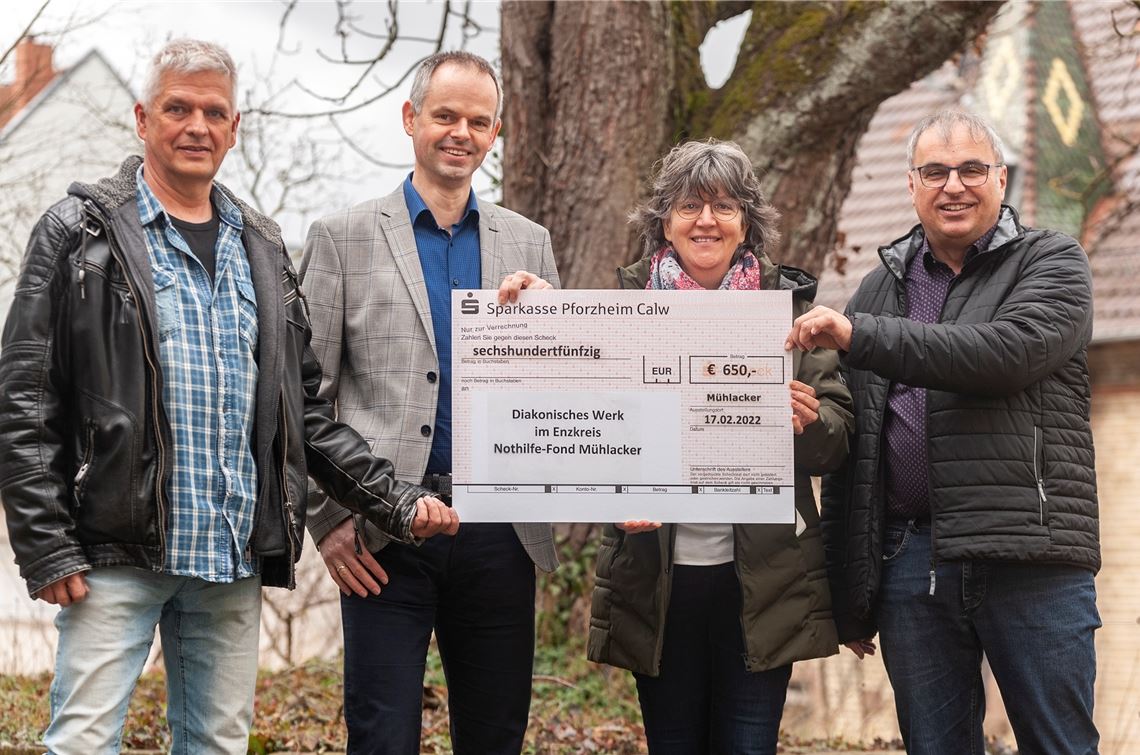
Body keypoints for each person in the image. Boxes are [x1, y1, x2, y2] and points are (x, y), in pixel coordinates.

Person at [0, 39, 458, 755]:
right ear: (143, 118)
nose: (197, 126)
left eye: (214, 112)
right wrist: (45, 546)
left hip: (229, 558)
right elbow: (27, 397)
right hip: (112, 554)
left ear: (235, 127)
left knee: (216, 744)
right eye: (178, 108)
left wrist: (393, 500)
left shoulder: (264, 248)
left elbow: (302, 413)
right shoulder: (78, 233)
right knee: (83, 743)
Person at [785, 110, 1101, 754]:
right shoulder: (878, 290)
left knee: (1060, 746)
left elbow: (1002, 354)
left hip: (1030, 561)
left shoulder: (1052, 261)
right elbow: (861, 453)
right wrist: (852, 588)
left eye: (971, 169)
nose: (953, 185)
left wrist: (861, 337)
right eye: (935, 172)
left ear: (1001, 179)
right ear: (911, 186)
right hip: (911, 567)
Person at [299, 50, 559, 754]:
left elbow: (560, 395)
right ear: (411, 118)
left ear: (495, 133)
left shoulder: (529, 242)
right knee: (382, 737)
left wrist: (554, 323)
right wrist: (328, 521)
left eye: (478, 121)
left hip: (500, 532)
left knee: (496, 734)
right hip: (383, 532)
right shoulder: (341, 237)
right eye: (445, 115)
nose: (460, 133)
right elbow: (303, 395)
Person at [586, 139, 853, 754]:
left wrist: (808, 423)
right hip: (657, 579)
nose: (706, 220)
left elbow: (837, 444)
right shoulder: (621, 312)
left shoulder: (792, 318)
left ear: (746, 225)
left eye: (724, 206)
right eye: (689, 206)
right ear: (665, 224)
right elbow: (584, 434)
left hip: (762, 585)